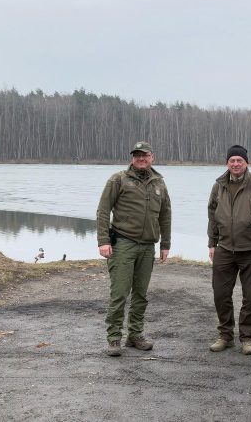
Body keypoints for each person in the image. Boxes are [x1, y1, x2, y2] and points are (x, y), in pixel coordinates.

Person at [96, 141, 171, 356]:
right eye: (137, 155)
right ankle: (114, 338)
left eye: (144, 155)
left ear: (152, 157)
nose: (141, 158)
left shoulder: (159, 183)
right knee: (119, 293)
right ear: (132, 158)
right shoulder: (118, 179)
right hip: (123, 243)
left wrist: (165, 244)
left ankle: (135, 335)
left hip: (147, 246)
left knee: (141, 294)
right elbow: (103, 211)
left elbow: (165, 215)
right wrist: (103, 241)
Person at [207, 145, 251, 355]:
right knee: (220, 293)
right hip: (225, 247)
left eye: (239, 160)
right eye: (232, 160)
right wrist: (212, 242)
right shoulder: (219, 185)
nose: (235, 164)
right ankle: (225, 336)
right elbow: (212, 214)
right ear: (227, 163)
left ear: (246, 163)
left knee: (250, 297)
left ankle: (246, 338)